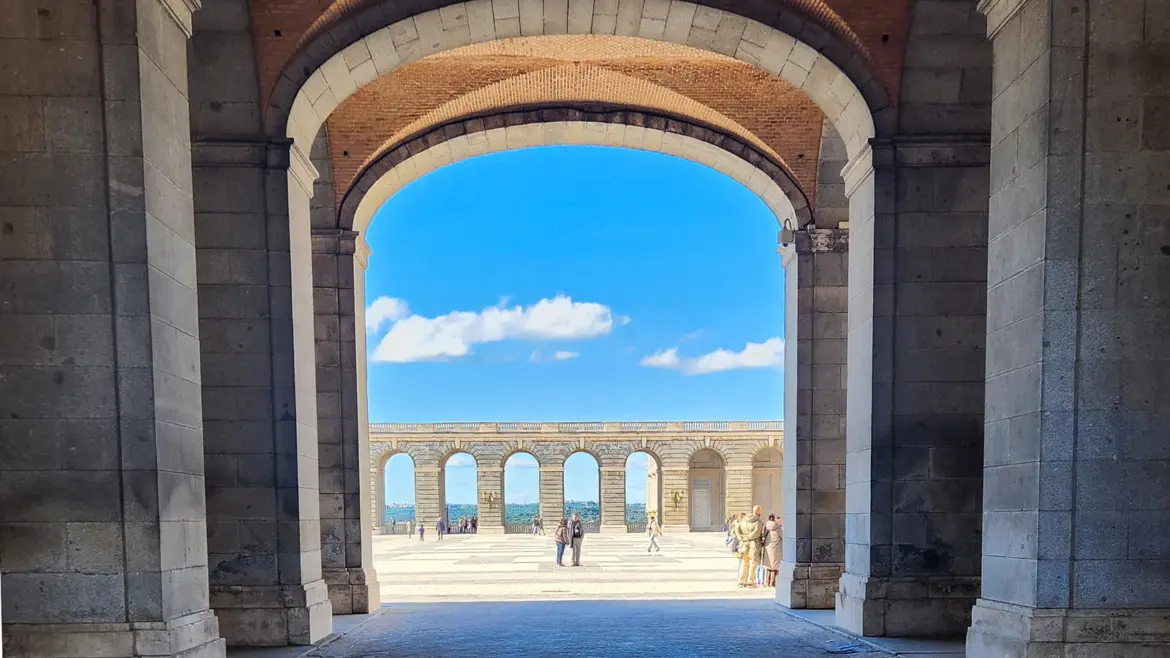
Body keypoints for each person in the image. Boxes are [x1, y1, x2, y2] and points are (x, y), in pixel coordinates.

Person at [734, 505, 764, 588]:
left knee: (744, 563)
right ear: (758, 511)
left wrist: (741, 538)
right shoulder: (758, 521)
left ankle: (741, 581)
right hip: (754, 544)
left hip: (744, 544)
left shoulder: (743, 520)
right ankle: (750, 582)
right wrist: (749, 537)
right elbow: (756, 533)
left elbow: (737, 529)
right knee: (753, 563)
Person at [763, 513, 782, 587]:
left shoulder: (765, 526)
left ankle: (767, 582)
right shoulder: (777, 527)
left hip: (767, 548)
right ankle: (772, 583)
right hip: (775, 548)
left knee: (768, 566)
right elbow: (782, 536)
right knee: (774, 567)